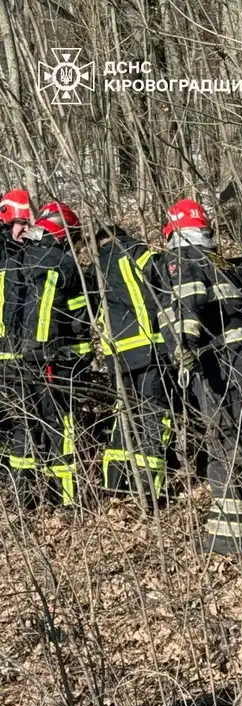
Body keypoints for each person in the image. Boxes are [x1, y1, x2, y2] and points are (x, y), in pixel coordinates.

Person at [152, 198, 242, 554]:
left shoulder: (183, 259)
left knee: (227, 442)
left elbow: (189, 302)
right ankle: (224, 538)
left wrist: (183, 347)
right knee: (234, 441)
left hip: (221, 364)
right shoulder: (217, 260)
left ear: (173, 231)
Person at [3, 201, 83, 508]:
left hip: (14, 358)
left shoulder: (15, 260)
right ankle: (67, 499)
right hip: (48, 358)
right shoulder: (63, 263)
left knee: (24, 424)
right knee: (58, 424)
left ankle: (22, 500)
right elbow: (77, 318)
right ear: (63, 234)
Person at [93, 225, 173, 506]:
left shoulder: (95, 268)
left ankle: (113, 487)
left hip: (118, 356)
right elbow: (165, 281)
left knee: (124, 417)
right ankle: (149, 491)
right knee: (154, 416)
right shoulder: (137, 251)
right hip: (149, 350)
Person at [0, 189, 33, 493]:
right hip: (6, 349)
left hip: (16, 350)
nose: (25, 230)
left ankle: (18, 489)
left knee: (19, 419)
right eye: (21, 224)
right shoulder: (5, 254)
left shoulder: (26, 254)